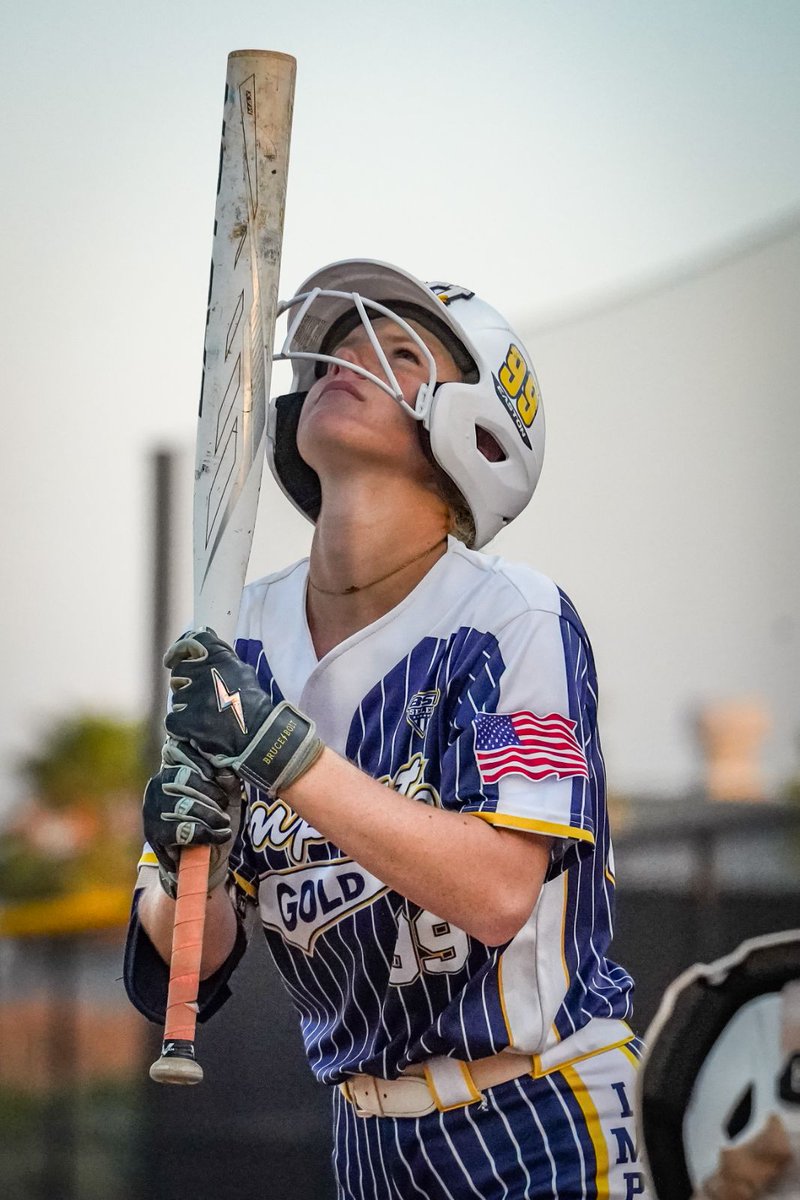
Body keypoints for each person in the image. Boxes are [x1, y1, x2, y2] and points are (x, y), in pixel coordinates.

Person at [125, 260, 650, 1199]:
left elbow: (496, 893)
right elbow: (191, 962)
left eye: (396, 350)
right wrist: (172, 861)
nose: (344, 359)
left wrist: (278, 753)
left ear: (476, 431)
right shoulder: (237, 632)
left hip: (540, 1117)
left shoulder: (512, 617)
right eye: (336, 348)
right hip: (364, 1143)